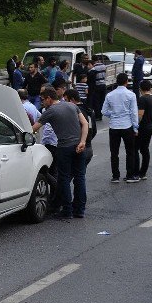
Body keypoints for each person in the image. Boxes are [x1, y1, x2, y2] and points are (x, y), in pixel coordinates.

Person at [32, 86, 89, 219]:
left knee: (64, 179)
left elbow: (34, 128)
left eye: (43, 100)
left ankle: (67, 210)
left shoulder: (50, 111)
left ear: (49, 99)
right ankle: (80, 210)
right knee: (80, 178)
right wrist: (82, 142)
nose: (42, 103)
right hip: (79, 146)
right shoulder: (72, 106)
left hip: (64, 147)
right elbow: (85, 123)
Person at [102, 72, 140, 183]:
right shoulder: (131, 94)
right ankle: (129, 175)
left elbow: (103, 111)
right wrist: (135, 127)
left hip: (114, 127)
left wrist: (113, 115)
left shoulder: (109, 95)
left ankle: (115, 176)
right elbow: (134, 113)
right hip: (127, 126)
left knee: (114, 153)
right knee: (130, 151)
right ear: (126, 82)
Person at [136, 80, 152, 180]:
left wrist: (135, 126)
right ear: (150, 88)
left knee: (135, 149)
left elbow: (140, 115)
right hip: (150, 126)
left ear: (140, 89)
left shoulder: (142, 99)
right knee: (145, 150)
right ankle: (143, 172)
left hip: (143, 128)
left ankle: (136, 172)